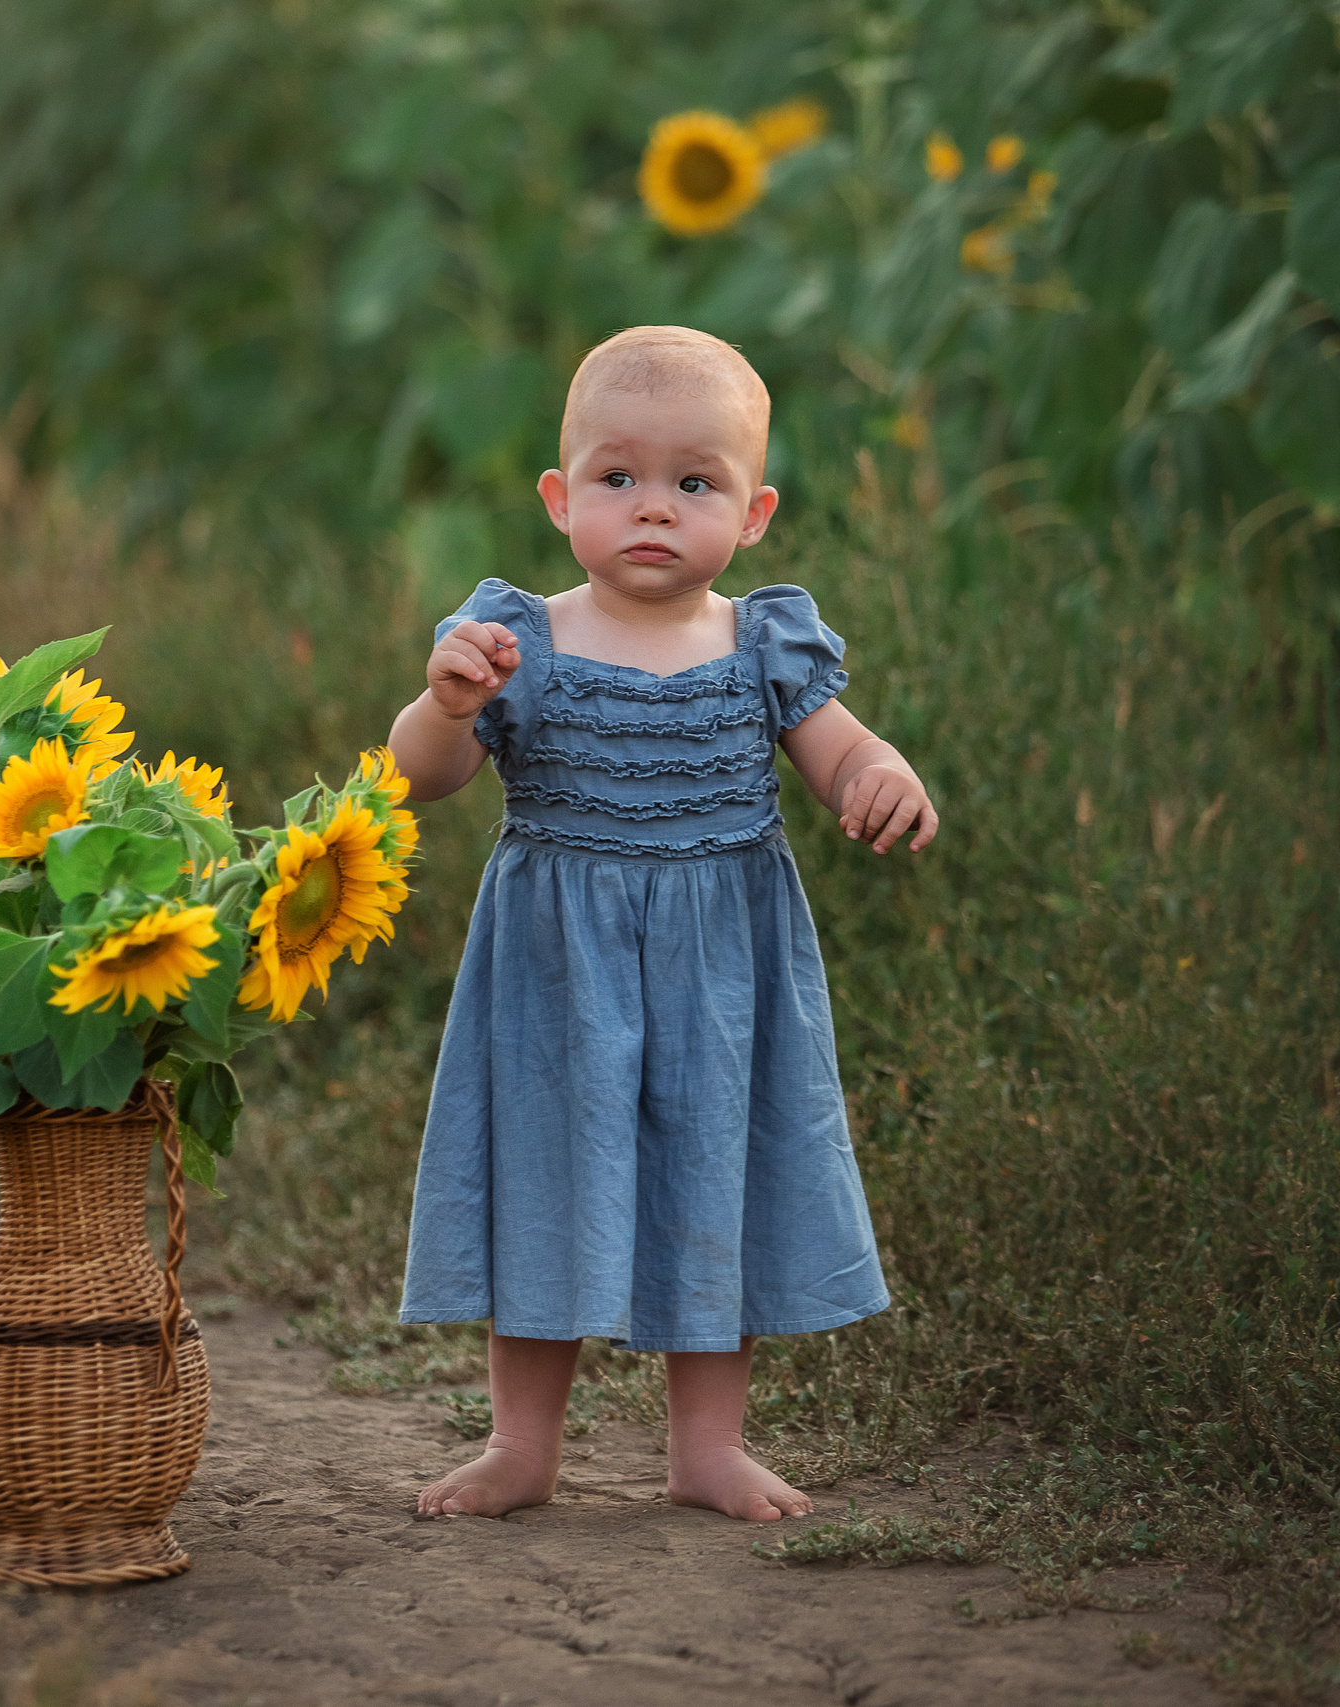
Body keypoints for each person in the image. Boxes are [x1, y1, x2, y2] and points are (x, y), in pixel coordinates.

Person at [385, 325, 940, 1523]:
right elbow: (419, 778)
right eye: (617, 478)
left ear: (752, 516)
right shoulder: (510, 638)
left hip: (721, 966)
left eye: (695, 483)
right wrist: (443, 705)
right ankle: (521, 1447)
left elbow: (839, 752)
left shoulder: (761, 643)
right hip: (553, 969)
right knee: (543, 1172)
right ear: (559, 496)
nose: (652, 509)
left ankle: (707, 1448)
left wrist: (878, 775)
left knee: (714, 1173)